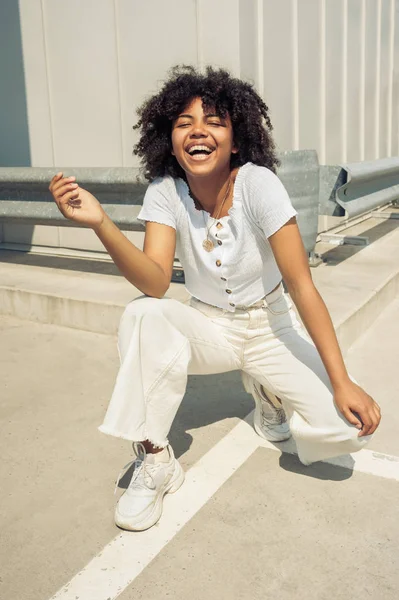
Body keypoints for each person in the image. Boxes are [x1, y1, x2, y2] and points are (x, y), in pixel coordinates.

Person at [49, 65, 381, 532]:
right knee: (144, 314)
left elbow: (303, 286)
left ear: (237, 140)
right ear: (169, 138)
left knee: (348, 431)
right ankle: (156, 458)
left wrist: (341, 380)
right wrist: (102, 223)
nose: (198, 131)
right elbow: (155, 283)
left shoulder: (258, 184)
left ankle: (270, 399)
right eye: (184, 122)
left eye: (215, 122)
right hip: (210, 328)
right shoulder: (165, 192)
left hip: (272, 327)